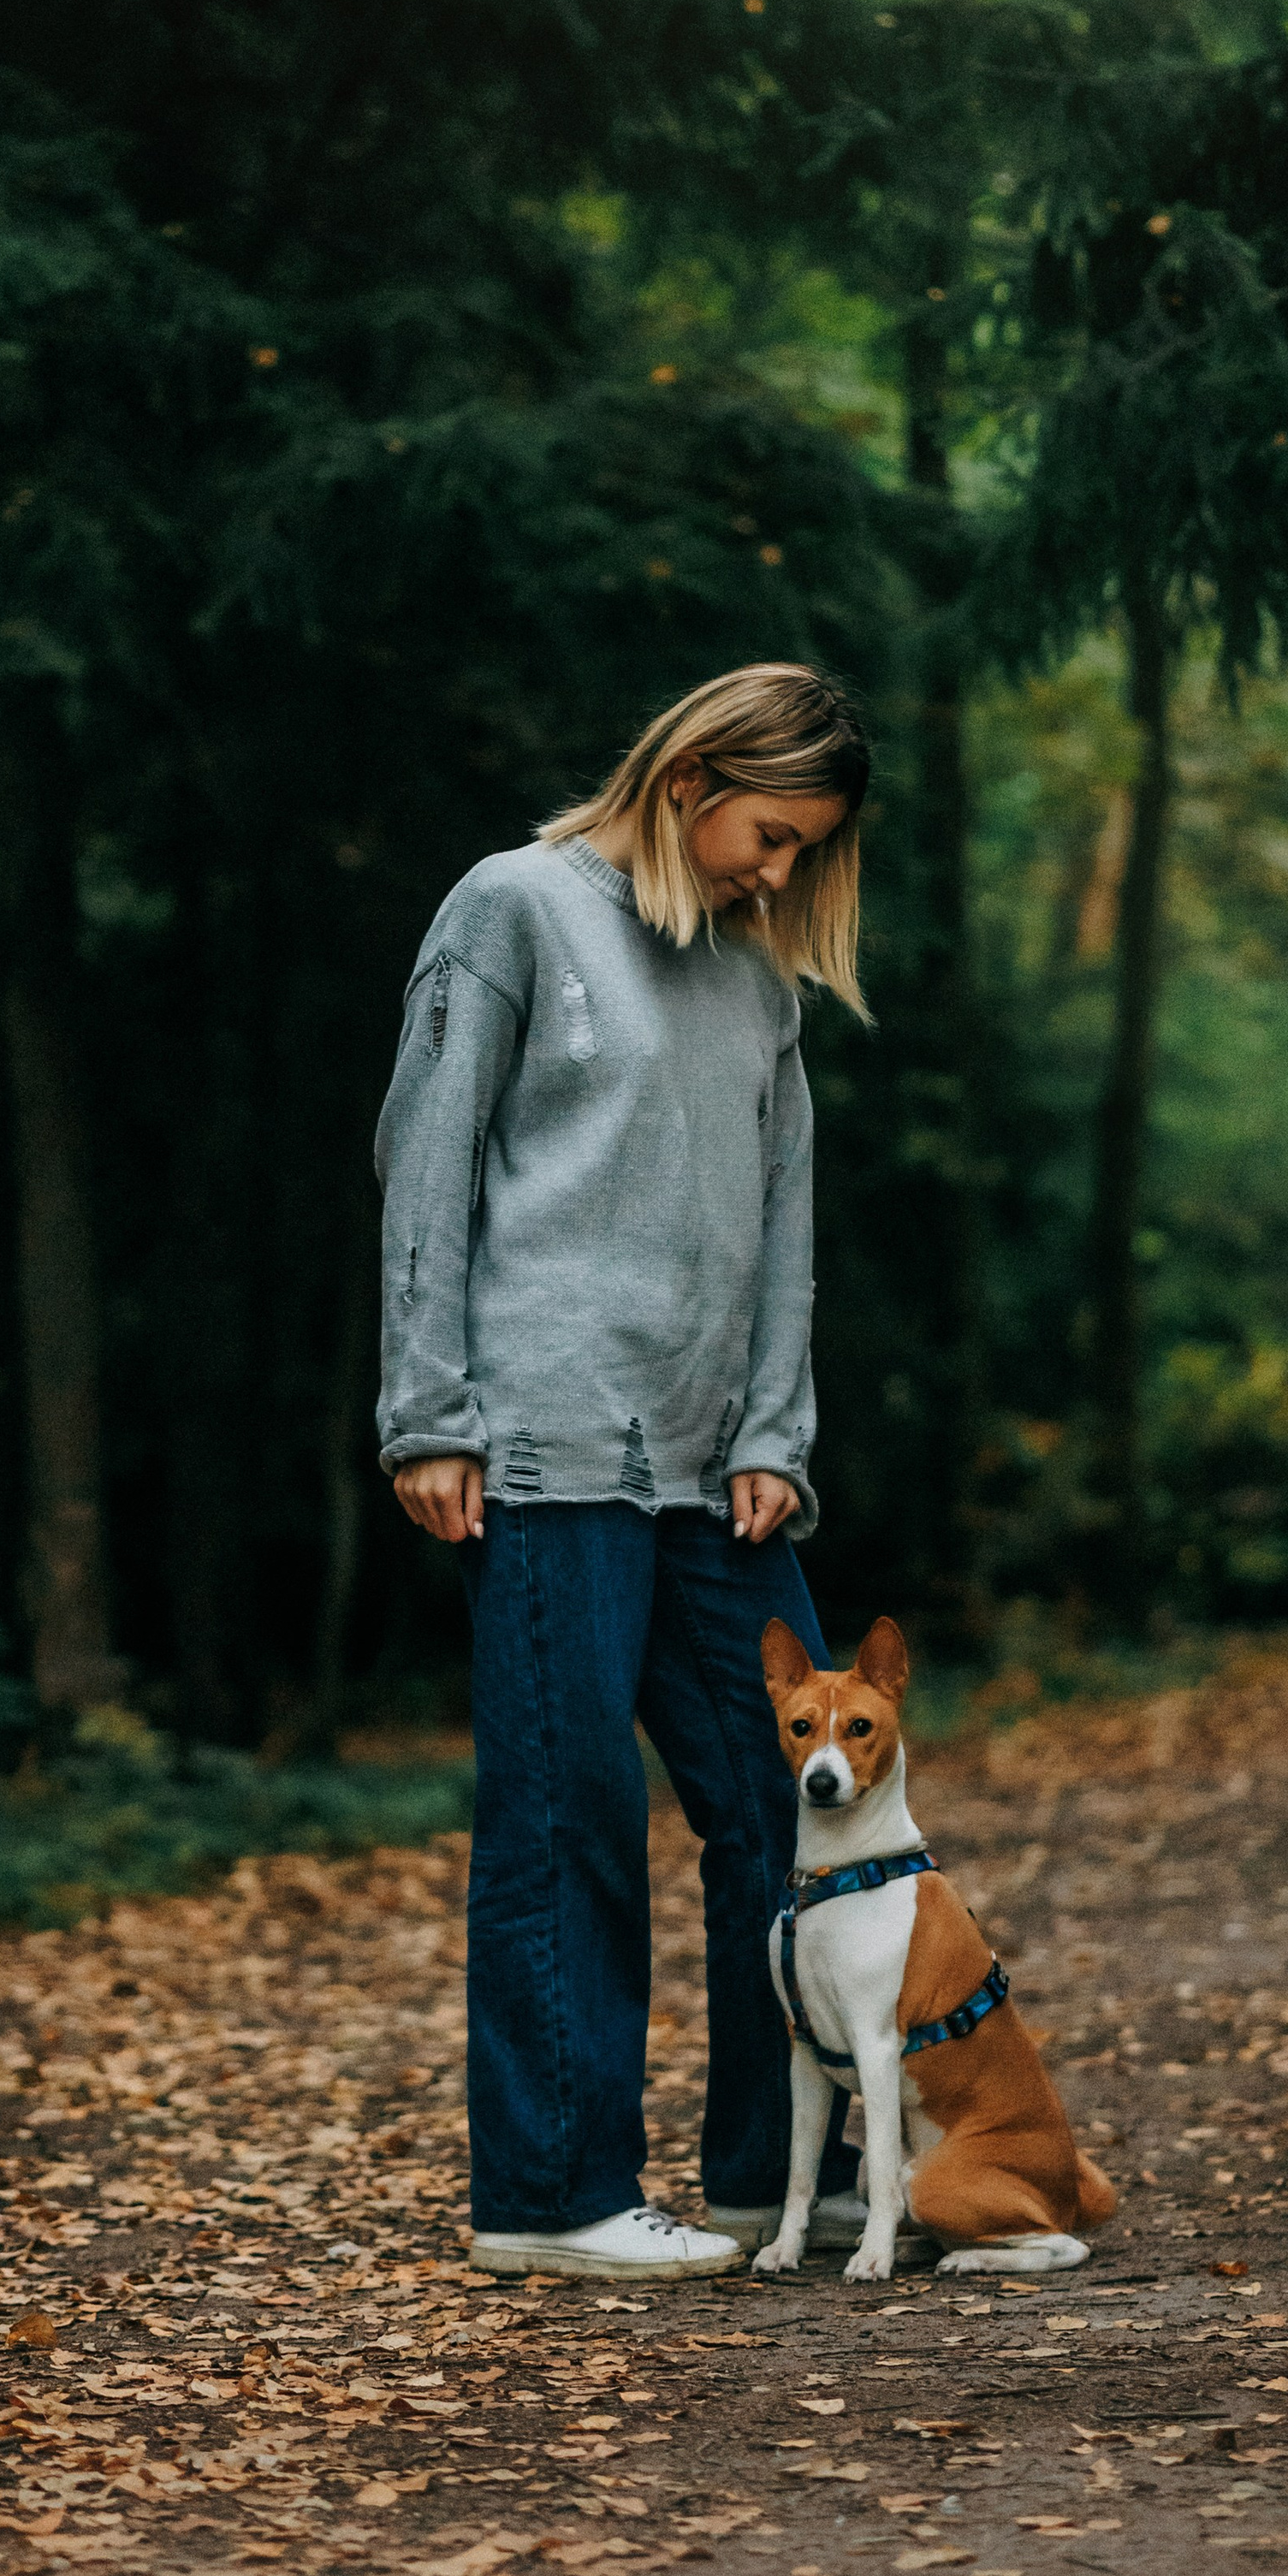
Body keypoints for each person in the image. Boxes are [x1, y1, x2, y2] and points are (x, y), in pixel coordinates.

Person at [373, 662, 875, 2277]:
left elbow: (787, 1221)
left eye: (808, 854)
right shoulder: (511, 909)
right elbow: (424, 1162)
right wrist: (427, 1410)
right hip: (542, 1440)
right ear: (689, 780)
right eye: (773, 835)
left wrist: (776, 1433)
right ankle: (554, 2194)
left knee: (787, 1816)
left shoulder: (758, 982)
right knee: (567, 1808)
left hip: (716, 1470)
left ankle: (767, 2181)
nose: (779, 874)